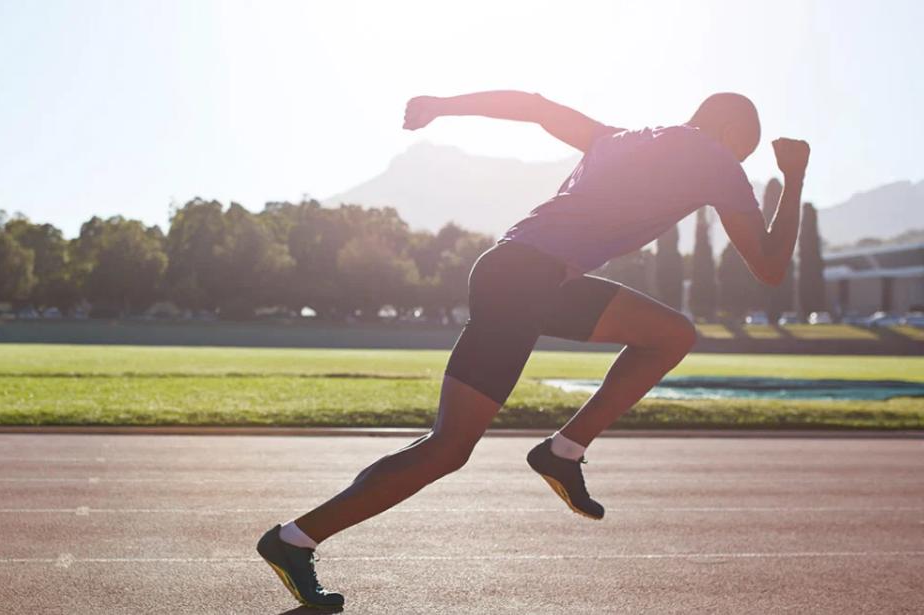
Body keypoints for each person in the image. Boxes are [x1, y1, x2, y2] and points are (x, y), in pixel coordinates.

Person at [256, 90, 810, 609]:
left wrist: (444, 105)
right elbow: (768, 266)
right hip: (530, 281)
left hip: (519, 270)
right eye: (744, 151)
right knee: (448, 448)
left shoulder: (619, 137)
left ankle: (562, 452)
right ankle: (294, 540)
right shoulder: (715, 157)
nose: (737, 169)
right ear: (730, 128)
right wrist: (792, 177)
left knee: (670, 334)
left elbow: (536, 107)